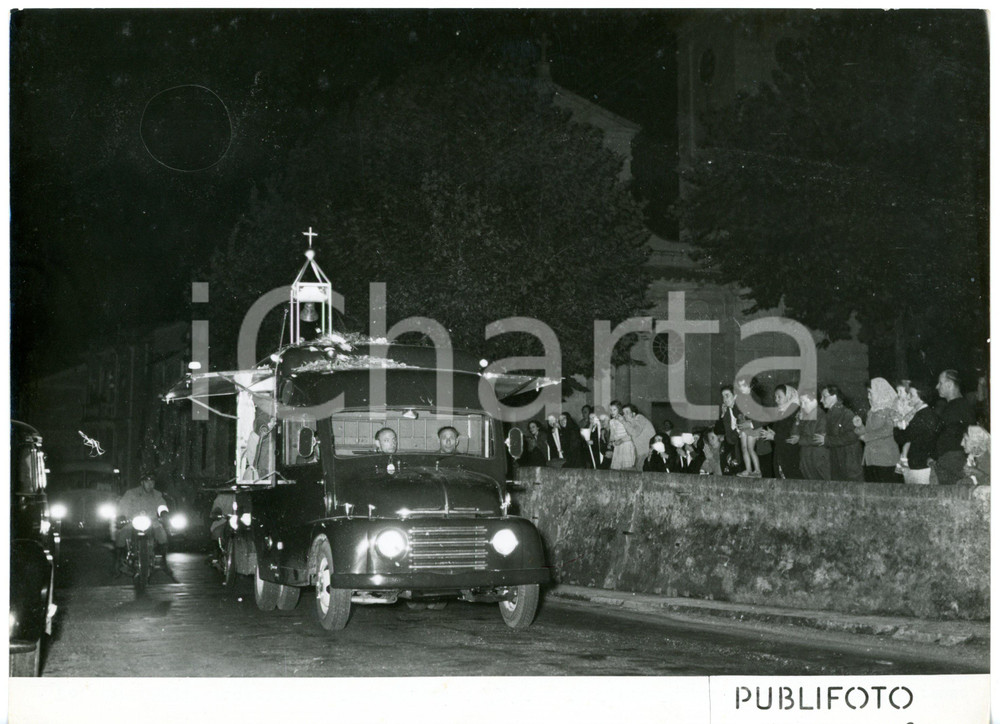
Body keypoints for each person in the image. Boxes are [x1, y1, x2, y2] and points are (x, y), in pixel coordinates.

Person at [114, 473, 175, 578]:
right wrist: (121, 516)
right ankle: (118, 562)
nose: (150, 484)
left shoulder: (157, 494)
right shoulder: (131, 493)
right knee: (122, 535)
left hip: (152, 521)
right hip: (133, 521)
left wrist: (163, 512)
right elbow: (123, 505)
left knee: (162, 535)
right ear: (142, 482)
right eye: (147, 482)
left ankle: (164, 562)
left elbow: (161, 504)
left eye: (152, 482)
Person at [893, 381, 941, 485]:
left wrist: (896, 426)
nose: (908, 397)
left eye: (911, 394)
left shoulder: (922, 416)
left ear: (921, 397)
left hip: (919, 466)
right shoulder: (924, 414)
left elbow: (902, 438)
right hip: (920, 464)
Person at [933, 370, 976, 485]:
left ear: (950, 385)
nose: (937, 386)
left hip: (953, 463)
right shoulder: (954, 406)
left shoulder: (960, 407)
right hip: (948, 461)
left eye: (940, 383)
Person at [854, 378, 901, 482]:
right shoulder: (872, 411)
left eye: (870, 393)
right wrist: (859, 425)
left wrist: (866, 437)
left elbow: (889, 429)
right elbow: (866, 432)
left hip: (885, 459)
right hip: (870, 459)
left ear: (880, 392)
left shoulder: (891, 410)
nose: (868, 397)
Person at [820, 385, 863, 482]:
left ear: (834, 396)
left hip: (849, 465)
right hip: (838, 463)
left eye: (824, 396)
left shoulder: (846, 414)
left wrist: (827, 440)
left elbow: (853, 436)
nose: (821, 400)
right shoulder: (829, 415)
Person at [760, 384, 801, 480]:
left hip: (791, 455)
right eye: (775, 397)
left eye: (779, 397)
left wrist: (774, 437)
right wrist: (772, 433)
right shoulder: (782, 412)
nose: (776, 400)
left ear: (788, 397)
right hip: (781, 453)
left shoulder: (795, 413)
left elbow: (791, 437)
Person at [792, 392, 830, 481]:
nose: (802, 406)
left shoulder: (822, 417)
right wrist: (797, 422)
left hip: (819, 460)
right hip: (806, 460)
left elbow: (819, 438)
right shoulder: (804, 417)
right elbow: (793, 436)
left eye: (805, 402)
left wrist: (800, 440)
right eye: (801, 403)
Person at [734, 378, 762, 477]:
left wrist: (749, 417)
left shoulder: (755, 397)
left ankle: (758, 471)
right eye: (740, 386)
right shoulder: (740, 397)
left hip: (751, 425)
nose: (741, 388)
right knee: (744, 448)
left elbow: (759, 414)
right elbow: (737, 411)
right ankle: (748, 470)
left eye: (744, 386)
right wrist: (739, 415)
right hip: (744, 425)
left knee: (750, 448)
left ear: (750, 385)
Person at [715, 385, 743, 475]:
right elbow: (717, 431)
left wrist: (731, 436)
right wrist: (722, 415)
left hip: (740, 444)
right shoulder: (726, 411)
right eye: (723, 397)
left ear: (735, 396)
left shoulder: (741, 409)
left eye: (727, 396)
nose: (724, 399)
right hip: (730, 444)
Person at [622, 404, 656, 473]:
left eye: (627, 412)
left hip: (647, 453)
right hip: (640, 453)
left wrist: (623, 422)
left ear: (634, 413)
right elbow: (630, 436)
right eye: (623, 413)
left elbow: (635, 432)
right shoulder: (631, 423)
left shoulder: (640, 418)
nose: (624, 415)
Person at [607, 401, 636, 470]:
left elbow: (630, 435)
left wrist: (621, 440)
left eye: (614, 410)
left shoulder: (624, 419)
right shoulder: (611, 421)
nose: (612, 412)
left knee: (626, 468)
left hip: (627, 445)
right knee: (617, 468)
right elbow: (612, 435)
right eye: (610, 410)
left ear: (619, 409)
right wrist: (610, 443)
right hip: (618, 446)